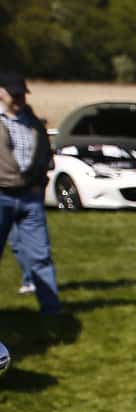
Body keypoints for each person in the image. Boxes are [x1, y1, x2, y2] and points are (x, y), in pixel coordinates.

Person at [0, 72, 61, 314]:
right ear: (1, 93)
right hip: (2, 195)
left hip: (29, 198)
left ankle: (51, 309)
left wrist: (40, 183)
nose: (18, 99)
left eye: (21, 94)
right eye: (13, 94)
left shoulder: (33, 122)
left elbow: (45, 154)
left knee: (41, 255)